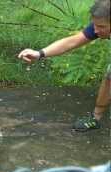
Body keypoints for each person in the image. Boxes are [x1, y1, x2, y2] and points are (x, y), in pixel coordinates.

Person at [18, 0, 110, 132]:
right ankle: (95, 118)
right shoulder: (100, 25)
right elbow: (71, 42)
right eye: (95, 25)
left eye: (101, 27)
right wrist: (40, 54)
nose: (96, 30)